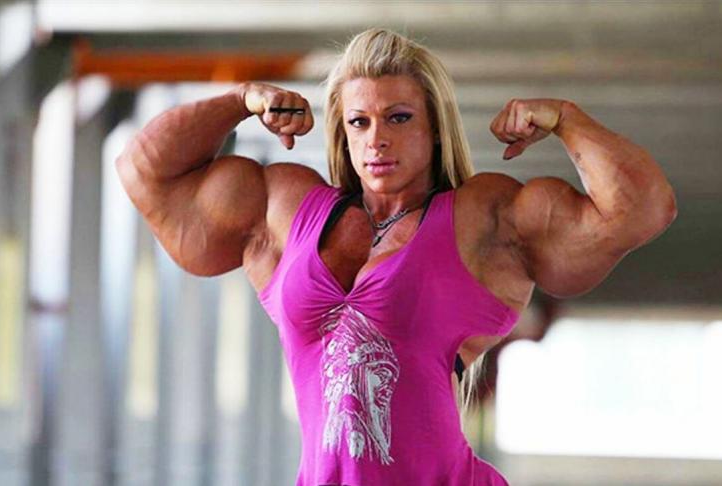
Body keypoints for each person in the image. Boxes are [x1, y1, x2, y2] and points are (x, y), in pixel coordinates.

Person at [116, 28, 676, 486]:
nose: (376, 139)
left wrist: (566, 119)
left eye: (399, 118)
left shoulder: (482, 221)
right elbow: (145, 172)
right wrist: (239, 102)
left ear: (435, 130)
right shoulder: (285, 210)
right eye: (359, 121)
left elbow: (642, 210)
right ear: (343, 130)